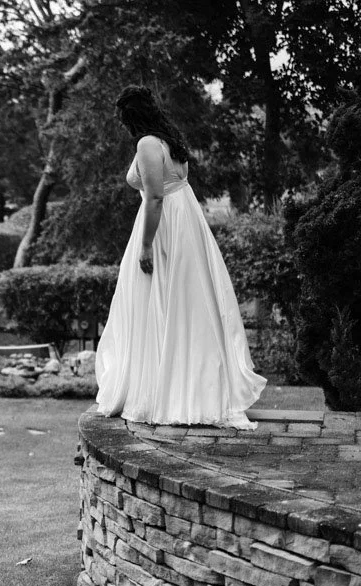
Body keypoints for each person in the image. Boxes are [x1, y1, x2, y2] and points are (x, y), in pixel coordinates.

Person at [95, 85, 266, 429]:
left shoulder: (146, 144)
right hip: (186, 225)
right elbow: (176, 186)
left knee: (158, 305)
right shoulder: (170, 141)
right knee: (185, 306)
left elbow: (155, 198)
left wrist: (146, 246)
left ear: (130, 117)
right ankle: (186, 388)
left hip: (162, 230)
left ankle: (166, 394)